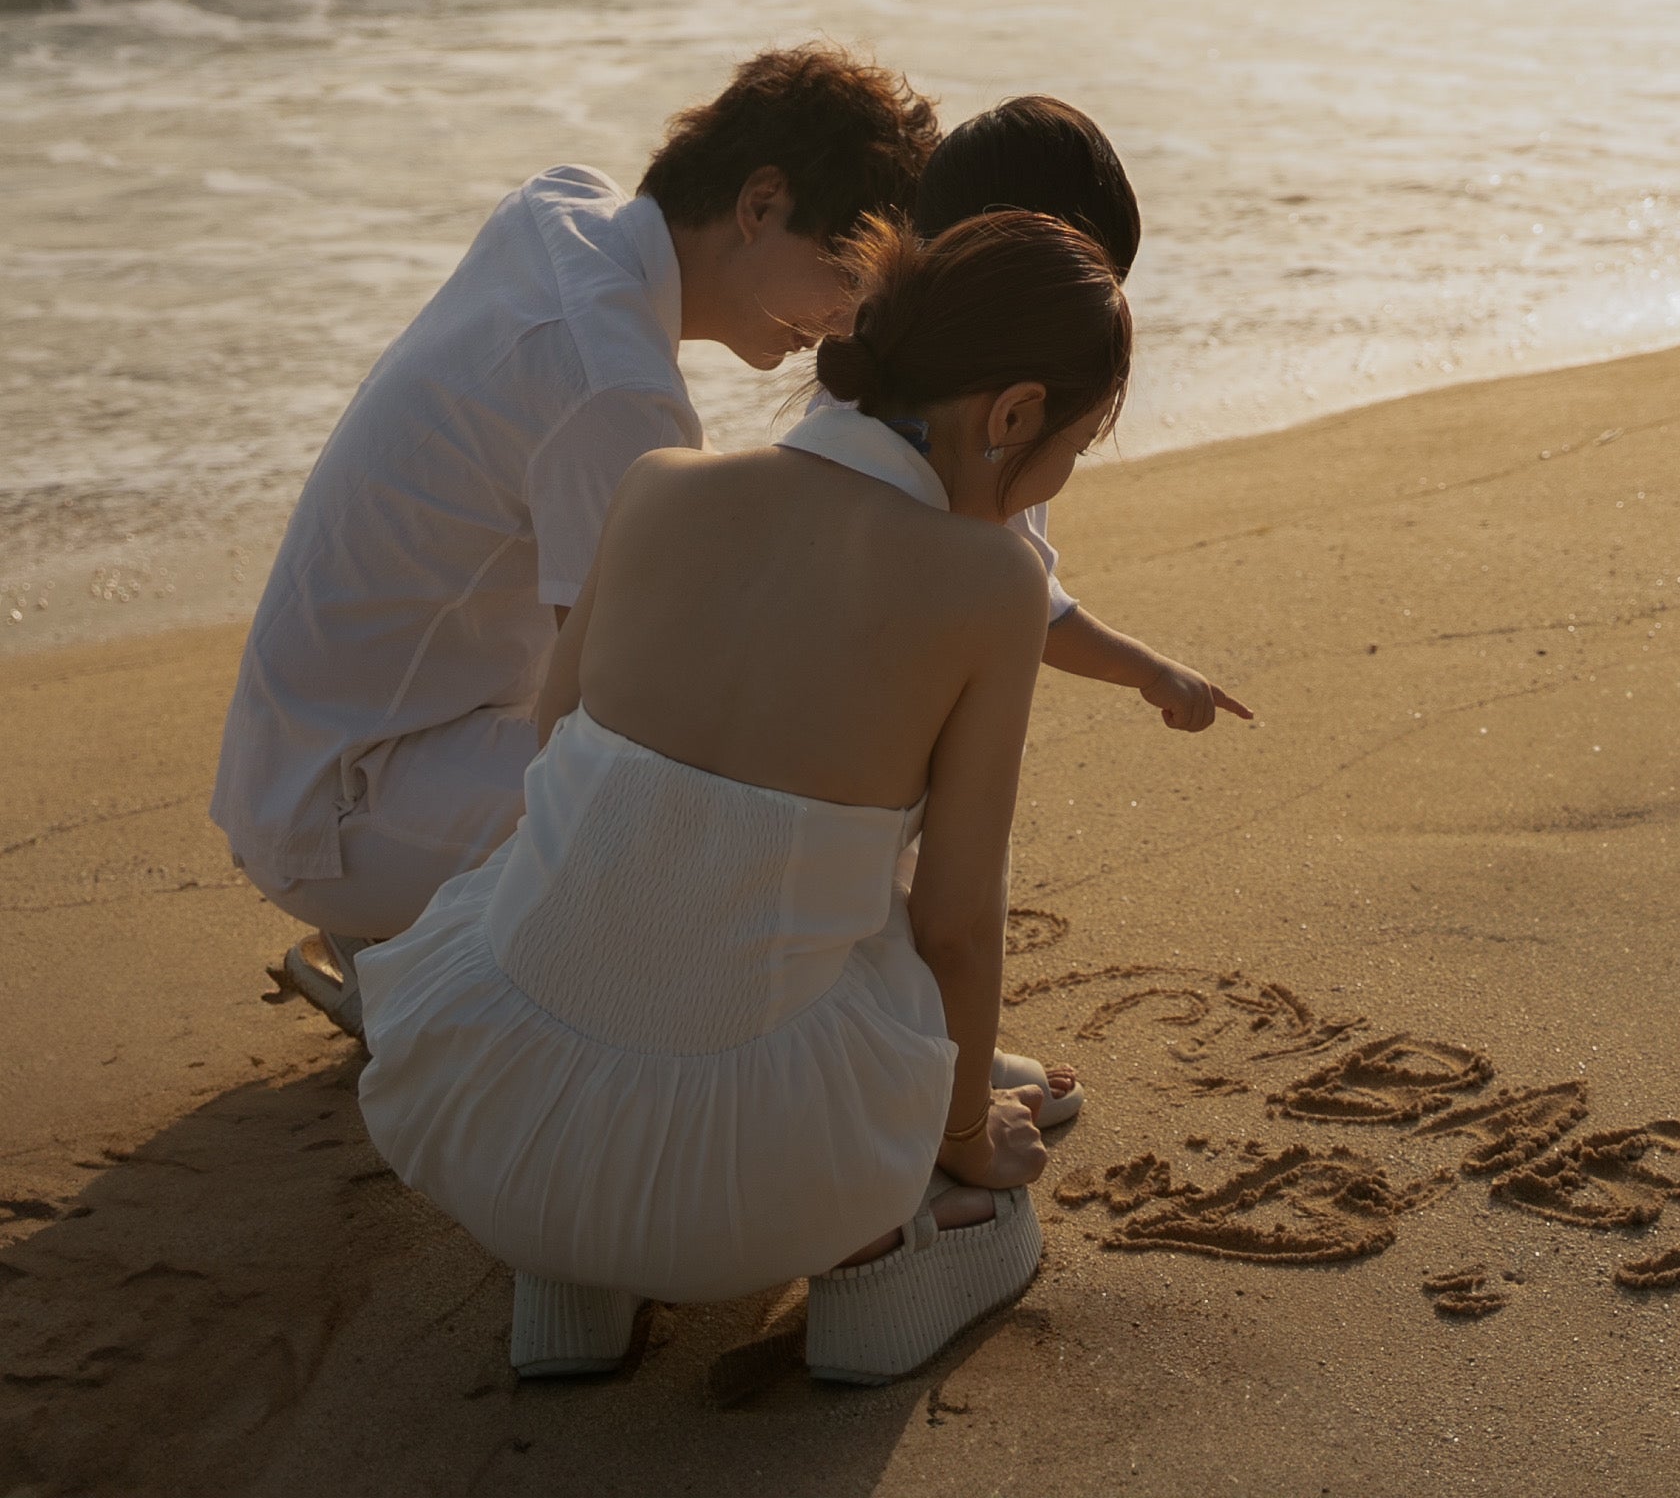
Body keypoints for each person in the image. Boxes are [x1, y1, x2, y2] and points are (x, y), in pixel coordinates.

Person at [355, 208, 1131, 1387]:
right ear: (1014, 414)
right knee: (894, 970)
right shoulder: (991, 583)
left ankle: (574, 1284)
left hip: (487, 1125)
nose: (1058, 479)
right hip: (747, 1190)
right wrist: (964, 1138)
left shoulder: (658, 485)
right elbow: (963, 927)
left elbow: (548, 748)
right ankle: (889, 1260)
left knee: (642, 871)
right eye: (1070, 451)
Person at [211, 43, 938, 1031]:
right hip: (349, 809)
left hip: (311, 752)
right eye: (844, 274)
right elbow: (631, 709)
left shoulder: (565, 208)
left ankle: (422, 935)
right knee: (729, 822)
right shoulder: (616, 386)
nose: (849, 318)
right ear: (761, 204)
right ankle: (434, 968)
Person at [869, 93, 1255, 741]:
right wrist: (1151, 671)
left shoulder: (864, 368)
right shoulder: (999, 441)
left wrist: (1149, 669)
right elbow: (1029, 608)